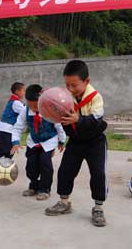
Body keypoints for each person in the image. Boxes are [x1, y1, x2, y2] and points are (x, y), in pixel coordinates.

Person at [45, 60, 108, 227]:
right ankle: (64, 202)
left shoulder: (96, 97)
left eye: (74, 85)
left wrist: (78, 119)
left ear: (86, 81)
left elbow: (96, 120)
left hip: (95, 141)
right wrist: (47, 99)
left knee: (98, 173)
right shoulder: (65, 96)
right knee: (65, 170)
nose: (70, 89)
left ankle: (98, 207)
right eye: (67, 85)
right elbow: (52, 107)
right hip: (76, 141)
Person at [11, 84, 66, 201]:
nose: (34, 108)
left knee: (45, 163)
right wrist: (15, 141)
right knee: (31, 165)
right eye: (31, 106)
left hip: (49, 141)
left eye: (36, 106)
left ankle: (44, 189)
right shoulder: (25, 111)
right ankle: (34, 186)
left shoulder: (49, 110)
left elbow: (58, 126)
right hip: (33, 141)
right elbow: (18, 127)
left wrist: (62, 141)